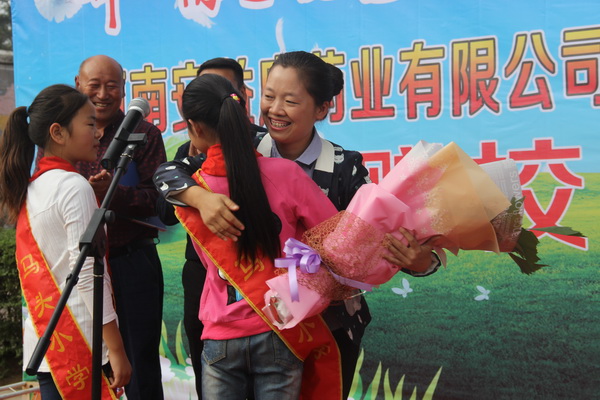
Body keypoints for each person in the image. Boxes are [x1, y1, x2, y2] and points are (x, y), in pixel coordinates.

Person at [154, 50, 440, 399]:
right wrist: (200, 198)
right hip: (245, 323)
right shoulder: (235, 140)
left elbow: (373, 238)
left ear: (321, 109)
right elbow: (168, 173)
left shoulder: (344, 167)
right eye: (269, 97)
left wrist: (421, 262)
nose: (275, 110)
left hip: (328, 325)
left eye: (290, 101)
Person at [175, 73, 345, 399]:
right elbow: (335, 236)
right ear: (243, 114)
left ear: (195, 127)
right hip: (280, 327)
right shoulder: (287, 174)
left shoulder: (194, 190)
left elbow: (206, 260)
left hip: (221, 331)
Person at [0, 84, 131, 399]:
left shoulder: (33, 187)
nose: (98, 133)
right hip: (83, 341)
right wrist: (116, 349)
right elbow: (86, 274)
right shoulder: (74, 186)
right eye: (89, 123)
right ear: (58, 132)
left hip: (47, 344)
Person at [155, 57, 266, 399]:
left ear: (242, 96)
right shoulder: (189, 153)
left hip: (260, 275)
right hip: (203, 276)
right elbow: (165, 207)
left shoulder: (266, 145)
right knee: (210, 372)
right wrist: (198, 194)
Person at [73, 55, 166, 399]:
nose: (102, 94)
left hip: (132, 263)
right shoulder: (64, 133)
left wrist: (113, 194)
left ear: (124, 88)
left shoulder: (144, 134)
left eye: (111, 86)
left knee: (139, 365)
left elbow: (160, 201)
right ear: (78, 85)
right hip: (81, 266)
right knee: (85, 365)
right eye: (94, 85)